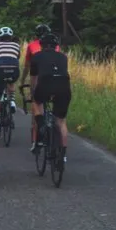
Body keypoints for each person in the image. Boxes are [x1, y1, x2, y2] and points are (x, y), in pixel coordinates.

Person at [29, 31, 71, 163]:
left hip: (45, 84)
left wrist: (32, 91)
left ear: (41, 45)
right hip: (64, 87)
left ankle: (41, 123)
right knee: (61, 121)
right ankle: (63, 155)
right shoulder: (64, 57)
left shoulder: (36, 57)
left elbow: (34, 79)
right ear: (56, 46)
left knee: (36, 102)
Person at [20, 24, 60, 148]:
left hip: (38, 77)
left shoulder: (31, 46)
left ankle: (35, 140)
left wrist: (22, 81)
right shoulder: (56, 46)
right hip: (56, 79)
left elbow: (27, 66)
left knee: (36, 105)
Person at [0, 26, 21, 135]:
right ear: (11, 36)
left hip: (0, 70)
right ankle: (12, 100)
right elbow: (17, 58)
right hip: (14, 70)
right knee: (11, 81)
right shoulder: (16, 45)